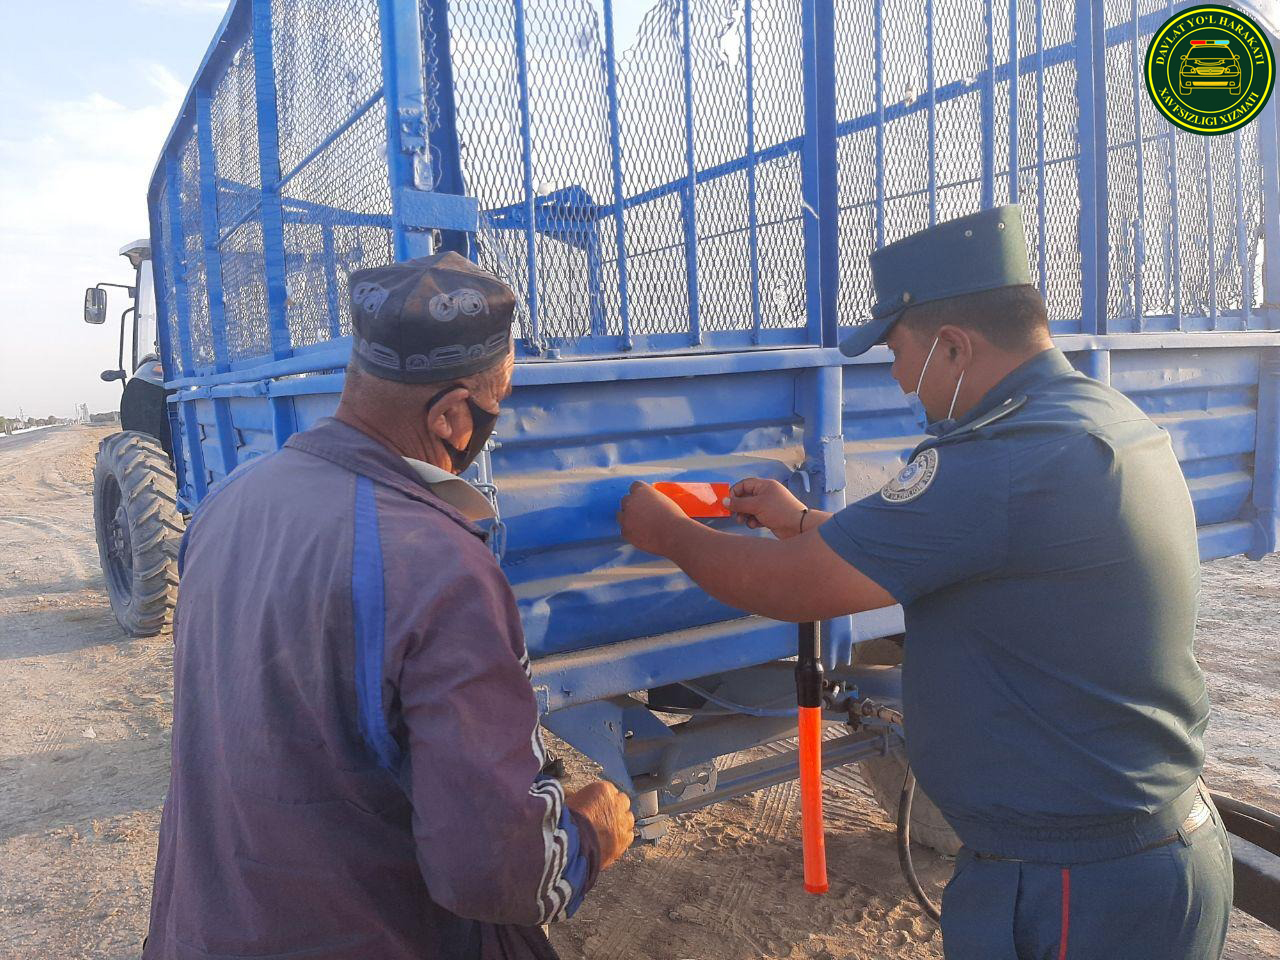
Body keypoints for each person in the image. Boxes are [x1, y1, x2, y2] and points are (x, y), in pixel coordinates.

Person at [617, 206, 1233, 959]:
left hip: (1080, 888)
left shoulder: (1004, 456)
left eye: (899, 353)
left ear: (954, 346)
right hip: (1133, 857)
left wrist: (668, 533)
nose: (901, 379)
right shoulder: (1087, 418)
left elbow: (790, 588)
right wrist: (803, 521)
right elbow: (959, 545)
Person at [144, 253, 633, 960]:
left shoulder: (228, 504)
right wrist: (586, 834)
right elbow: (495, 869)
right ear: (453, 417)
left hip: (200, 929)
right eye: (499, 396)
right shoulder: (439, 566)